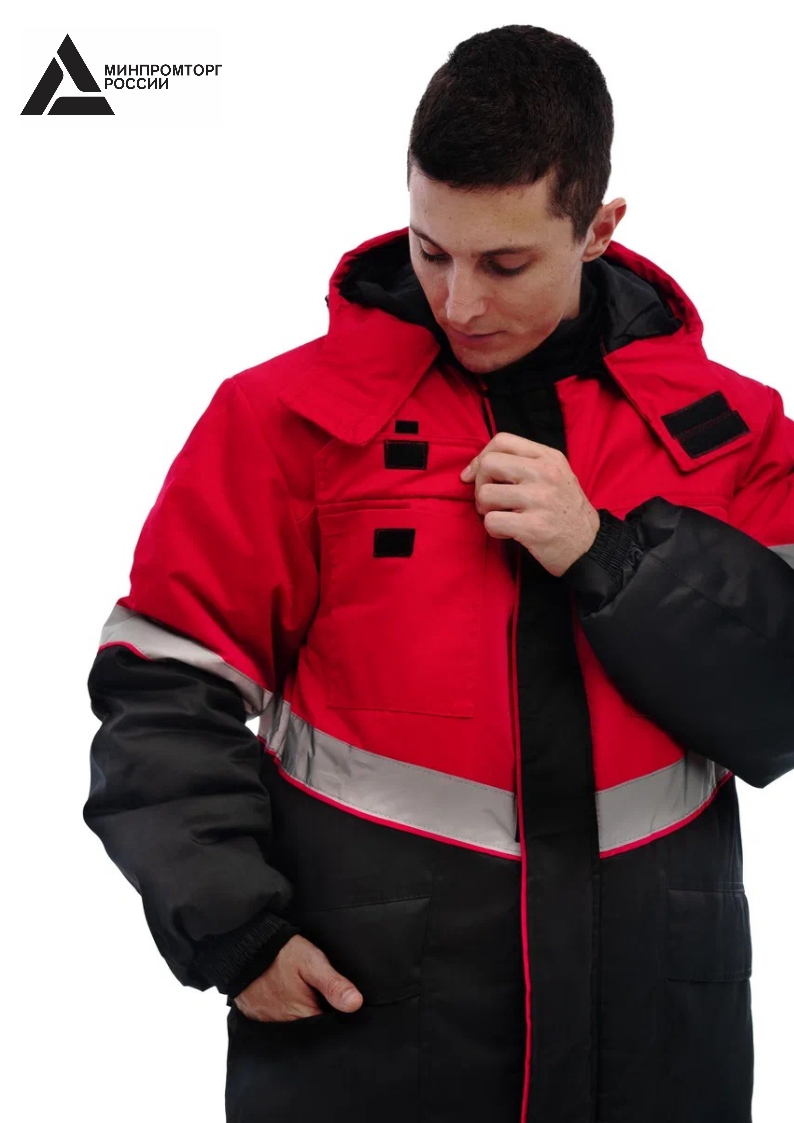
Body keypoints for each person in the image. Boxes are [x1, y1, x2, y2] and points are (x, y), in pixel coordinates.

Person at [83, 23, 794, 1123]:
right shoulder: (286, 422)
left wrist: (606, 553)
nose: (459, 301)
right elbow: (162, 689)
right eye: (430, 251)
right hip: (370, 1035)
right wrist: (234, 931)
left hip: (652, 1040)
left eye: (504, 264)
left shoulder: (727, 431)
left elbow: (777, 703)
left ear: (598, 228)